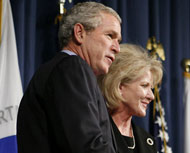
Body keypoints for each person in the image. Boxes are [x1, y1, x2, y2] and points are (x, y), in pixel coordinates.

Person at [17, 2, 122, 153]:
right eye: (110, 36)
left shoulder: (62, 70)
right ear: (80, 33)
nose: (117, 48)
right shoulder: (71, 68)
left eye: (118, 41)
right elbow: (87, 147)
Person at [98, 44, 163, 153]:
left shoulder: (147, 141)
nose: (151, 96)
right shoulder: (96, 134)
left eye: (151, 88)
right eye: (144, 86)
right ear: (119, 87)